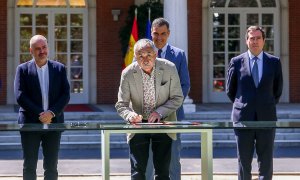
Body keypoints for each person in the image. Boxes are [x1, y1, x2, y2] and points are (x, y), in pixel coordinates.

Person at [115, 38, 184, 180]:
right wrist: (130, 116)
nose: (145, 59)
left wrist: (160, 112)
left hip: (163, 123)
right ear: (135, 56)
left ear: (156, 54)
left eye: (148, 54)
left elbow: (177, 98)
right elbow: (121, 104)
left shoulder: (169, 68)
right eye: (140, 55)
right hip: (138, 126)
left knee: (163, 172)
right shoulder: (127, 73)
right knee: (137, 171)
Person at [226, 26, 283, 180]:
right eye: (252, 38)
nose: (255, 41)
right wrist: (244, 104)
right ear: (246, 41)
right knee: (243, 161)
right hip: (243, 118)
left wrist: (264, 104)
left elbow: (278, 90)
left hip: (267, 117)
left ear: (264, 41)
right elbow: (230, 91)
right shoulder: (236, 62)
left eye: (258, 38)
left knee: (266, 161)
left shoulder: (274, 62)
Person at [14, 35, 70, 180]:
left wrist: (51, 113)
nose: (42, 51)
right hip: (30, 124)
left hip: (54, 124)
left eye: (44, 47)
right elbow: (20, 96)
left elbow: (65, 95)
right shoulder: (22, 70)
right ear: (31, 51)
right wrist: (41, 113)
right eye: (37, 49)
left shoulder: (59, 69)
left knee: (51, 167)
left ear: (48, 48)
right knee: (29, 166)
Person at [146, 17, 190, 180]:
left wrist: (167, 108)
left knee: (172, 159)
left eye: (163, 34)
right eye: (156, 34)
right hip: (148, 116)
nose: (159, 37)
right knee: (149, 159)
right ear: (151, 33)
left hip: (173, 115)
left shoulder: (179, 55)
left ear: (169, 34)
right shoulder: (142, 54)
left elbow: (185, 85)